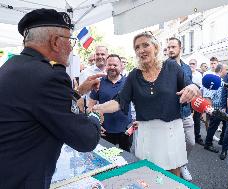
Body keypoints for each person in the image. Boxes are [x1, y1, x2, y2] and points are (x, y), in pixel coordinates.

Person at [0, 9, 102, 189]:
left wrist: (77, 92)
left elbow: (43, 106)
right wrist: (94, 115)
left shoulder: (12, 66)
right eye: (70, 41)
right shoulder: (47, 77)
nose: (71, 48)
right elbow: (85, 139)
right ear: (55, 42)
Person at [92, 32, 200, 176]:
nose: (141, 50)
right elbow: (119, 102)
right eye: (137, 47)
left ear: (155, 47)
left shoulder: (172, 67)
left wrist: (193, 88)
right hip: (146, 132)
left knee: (172, 176)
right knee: (148, 175)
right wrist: (98, 108)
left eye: (145, 45)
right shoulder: (134, 75)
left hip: (171, 130)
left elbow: (190, 86)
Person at [167, 37, 198, 181]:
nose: (170, 50)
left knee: (190, 141)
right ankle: (174, 168)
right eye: (168, 47)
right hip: (169, 113)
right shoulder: (163, 66)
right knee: (171, 144)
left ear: (181, 49)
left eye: (173, 47)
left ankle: (183, 164)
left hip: (185, 112)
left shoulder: (186, 68)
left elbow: (191, 86)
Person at [88, 54, 132, 151]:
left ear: (121, 66)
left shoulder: (129, 83)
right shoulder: (99, 83)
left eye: (115, 65)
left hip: (125, 131)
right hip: (105, 131)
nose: (112, 67)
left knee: (126, 159)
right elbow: (90, 106)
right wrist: (96, 123)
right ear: (106, 66)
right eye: (109, 65)